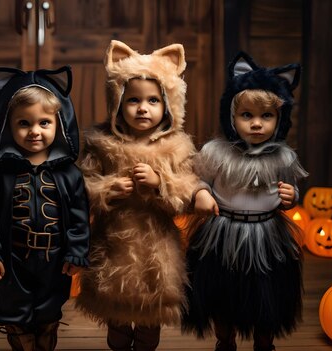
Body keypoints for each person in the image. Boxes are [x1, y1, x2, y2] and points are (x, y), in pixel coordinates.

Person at [73, 41, 200, 351]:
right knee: (115, 315)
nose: (143, 108)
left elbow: (187, 193)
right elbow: (79, 187)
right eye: (133, 100)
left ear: (169, 104)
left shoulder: (177, 147)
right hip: (113, 243)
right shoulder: (100, 143)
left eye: (153, 100)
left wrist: (160, 183)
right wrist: (107, 189)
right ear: (117, 101)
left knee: (148, 319)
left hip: (156, 247)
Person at [182, 52, 307, 351]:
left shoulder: (283, 156)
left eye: (267, 116)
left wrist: (291, 196)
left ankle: (265, 343)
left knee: (267, 298)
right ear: (231, 116)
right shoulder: (215, 152)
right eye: (246, 115)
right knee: (223, 297)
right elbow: (199, 181)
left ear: (280, 119)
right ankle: (225, 341)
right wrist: (200, 193)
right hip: (222, 233)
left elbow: (288, 190)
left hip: (267, 237)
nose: (256, 124)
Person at [0, 66, 90, 351]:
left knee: (49, 311)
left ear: (59, 123)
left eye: (44, 123)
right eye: (24, 123)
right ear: (7, 125)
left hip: (56, 258)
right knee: (15, 312)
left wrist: (77, 251)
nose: (34, 131)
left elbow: (79, 217)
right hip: (14, 259)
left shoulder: (69, 174)